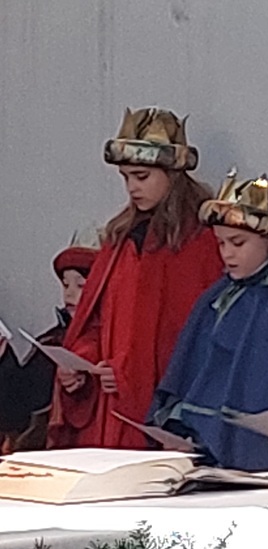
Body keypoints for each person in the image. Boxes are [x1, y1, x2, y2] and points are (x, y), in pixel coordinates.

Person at [48, 107, 221, 449]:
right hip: (112, 409)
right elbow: (95, 322)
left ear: (173, 174)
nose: (131, 188)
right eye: (126, 177)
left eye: (141, 177)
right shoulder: (120, 240)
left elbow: (198, 339)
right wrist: (84, 364)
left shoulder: (201, 243)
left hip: (161, 412)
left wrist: (130, 374)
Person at [149, 170, 268, 471]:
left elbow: (263, 380)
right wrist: (178, 424)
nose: (227, 254)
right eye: (221, 244)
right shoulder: (218, 293)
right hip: (201, 445)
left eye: (237, 243)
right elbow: (194, 367)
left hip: (266, 448)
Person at [0, 231, 100, 452]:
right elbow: (18, 409)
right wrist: (4, 359)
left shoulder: (115, 341)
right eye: (65, 285)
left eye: (81, 286)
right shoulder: (52, 341)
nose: (69, 295)